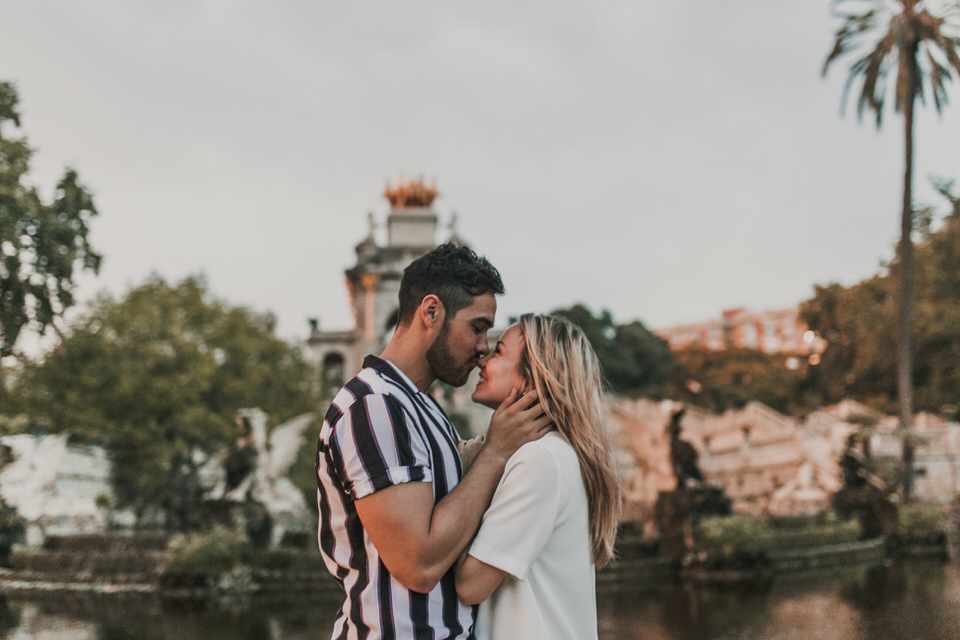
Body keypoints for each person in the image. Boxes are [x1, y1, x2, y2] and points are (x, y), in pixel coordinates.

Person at [315, 244, 552, 640]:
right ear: (430, 312)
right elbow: (419, 566)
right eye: (477, 327)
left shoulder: (418, 405)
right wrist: (496, 452)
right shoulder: (375, 406)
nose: (483, 347)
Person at [455, 313, 621, 640]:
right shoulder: (557, 454)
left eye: (499, 351)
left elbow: (469, 585)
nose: (482, 360)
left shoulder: (540, 460)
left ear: (533, 378)